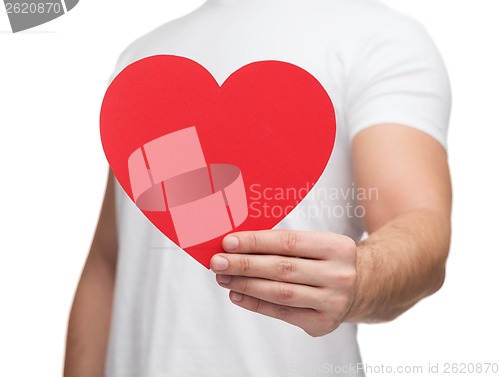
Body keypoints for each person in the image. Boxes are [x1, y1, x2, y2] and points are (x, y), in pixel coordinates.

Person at [64, 0, 452, 376]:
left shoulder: (379, 38)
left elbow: (418, 221)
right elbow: (107, 264)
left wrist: (362, 279)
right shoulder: (142, 59)